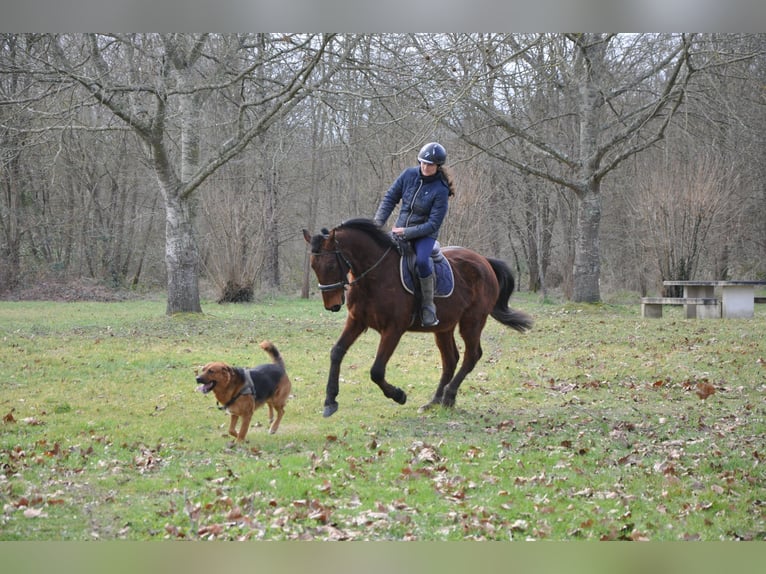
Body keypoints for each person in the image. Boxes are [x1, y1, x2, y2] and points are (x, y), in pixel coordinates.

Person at [374, 141, 455, 327]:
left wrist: (408, 232)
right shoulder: (409, 175)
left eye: (430, 164)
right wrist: (376, 224)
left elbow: (433, 223)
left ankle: (428, 306)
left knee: (421, 262)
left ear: (438, 166)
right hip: (400, 230)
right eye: (423, 163)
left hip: (425, 235)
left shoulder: (441, 190)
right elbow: (390, 198)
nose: (425, 167)